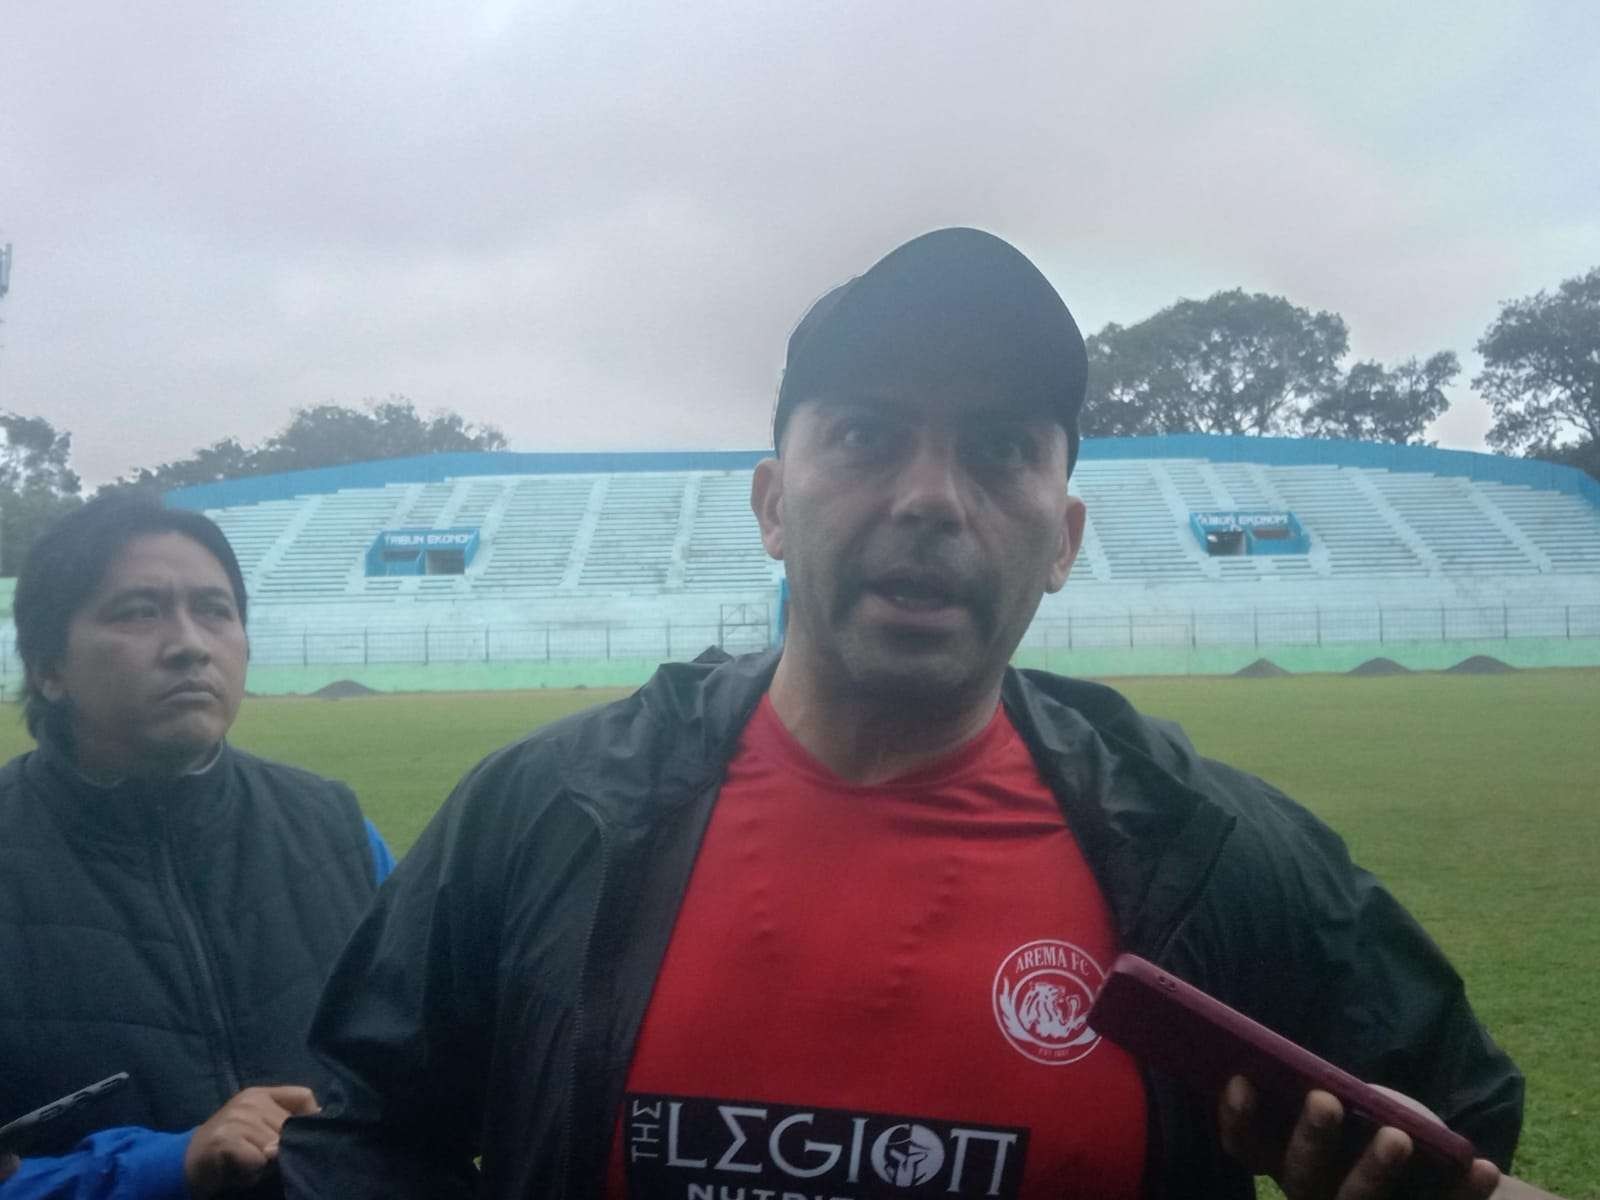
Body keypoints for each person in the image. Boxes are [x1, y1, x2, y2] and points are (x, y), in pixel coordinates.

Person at [279, 229, 1523, 1199]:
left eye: (998, 451)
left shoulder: (1210, 851)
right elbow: (363, 1129)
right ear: (772, 504)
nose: (931, 497)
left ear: (1063, 539)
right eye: (868, 436)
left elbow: (1456, 1129)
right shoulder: (545, 810)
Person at [0, 495, 395, 1200]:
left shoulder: (339, 832)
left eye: (215, 609)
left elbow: (435, 1074)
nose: (190, 643)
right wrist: (166, 1167)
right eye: (138, 611)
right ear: (48, 666)